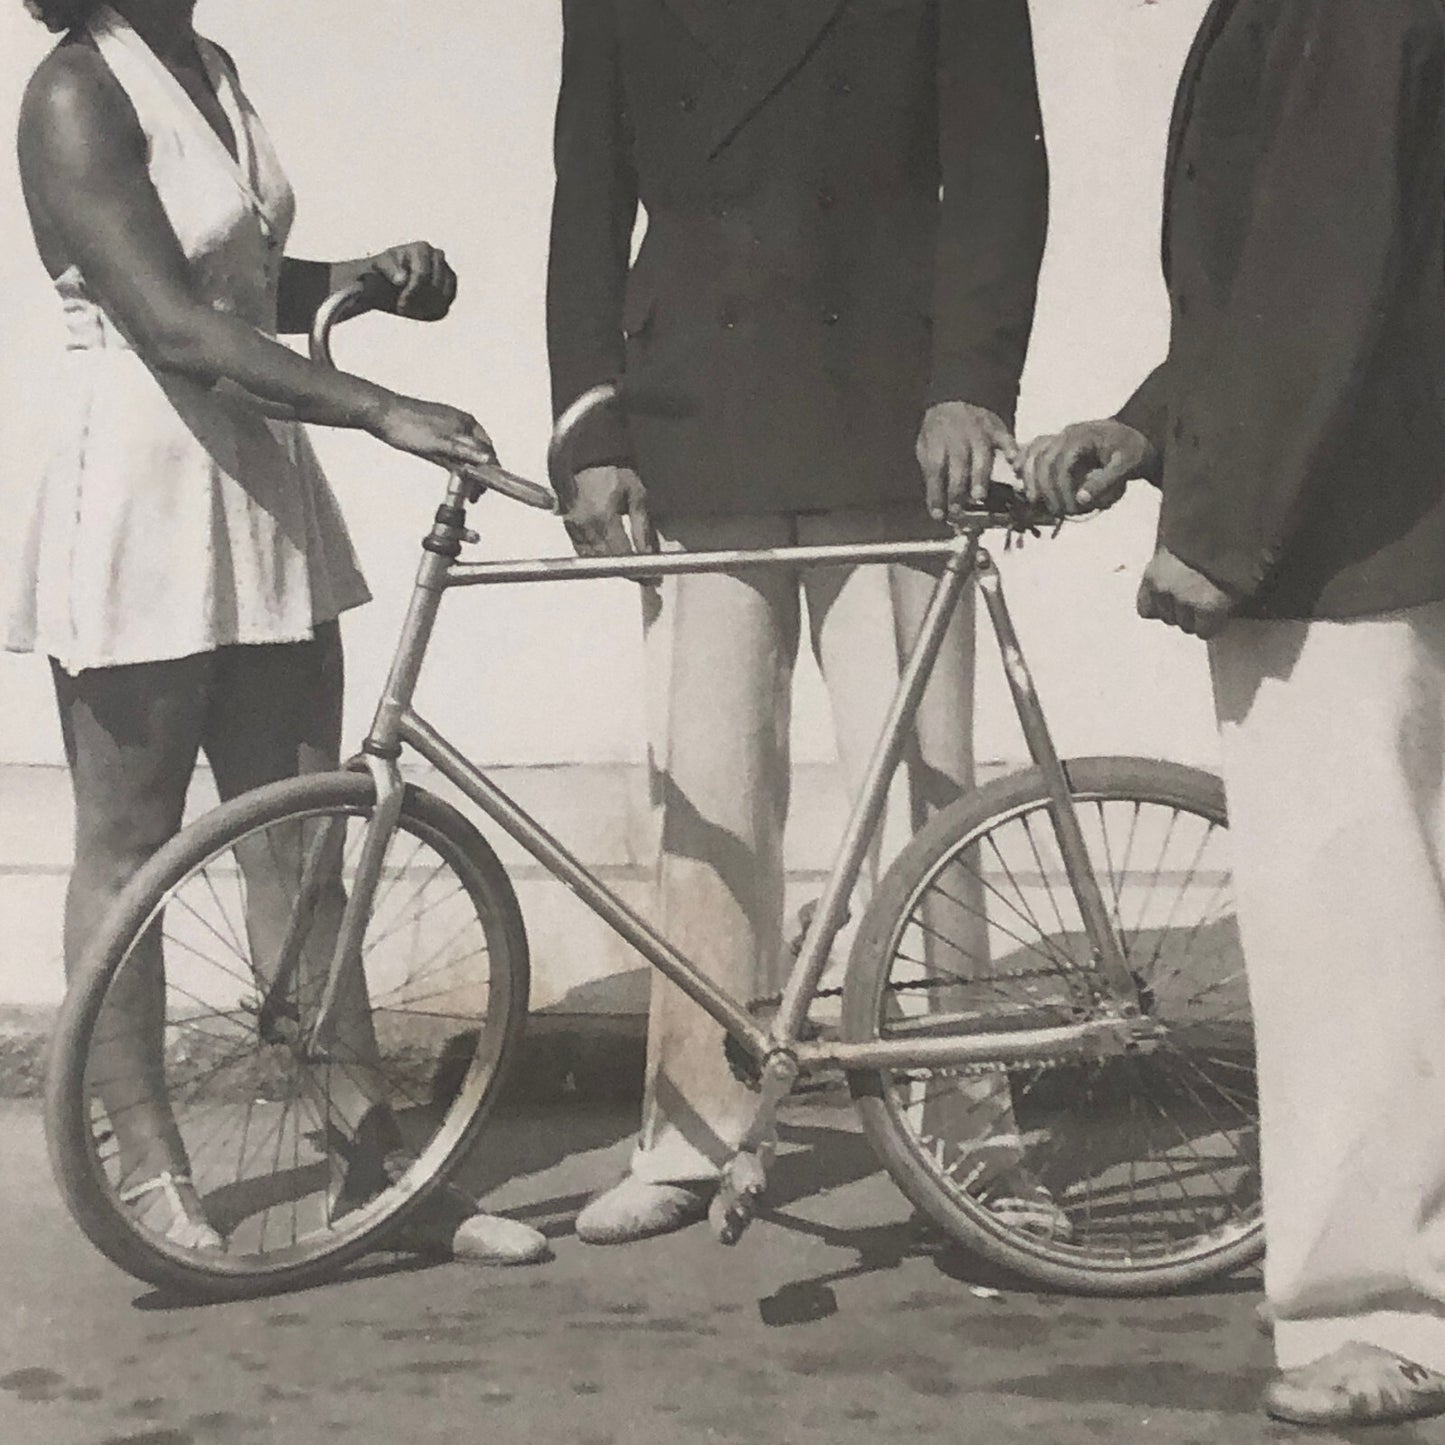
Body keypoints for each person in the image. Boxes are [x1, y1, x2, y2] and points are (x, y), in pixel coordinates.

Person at [6, 0, 548, 1266]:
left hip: (255, 479)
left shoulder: (210, 67)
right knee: (131, 846)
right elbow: (168, 323)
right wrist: (379, 406)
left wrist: (358, 279)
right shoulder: (76, 91)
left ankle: (370, 1162)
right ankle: (149, 1164)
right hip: (137, 489)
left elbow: (234, 283)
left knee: (304, 842)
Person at [546, 0, 1063, 1244]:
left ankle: (964, 1143)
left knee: (924, 796)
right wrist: (590, 426)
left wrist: (968, 386)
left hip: (888, 416)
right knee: (705, 794)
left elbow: (999, 172)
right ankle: (691, 1128)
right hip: (691, 417)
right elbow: (587, 199)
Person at [1016, 0, 1445, 1425]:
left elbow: (1318, 266)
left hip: (1344, 542)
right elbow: (1284, 270)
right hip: (1377, 521)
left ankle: (1373, 1308)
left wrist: (1218, 532)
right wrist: (1149, 426)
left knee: (1349, 935)